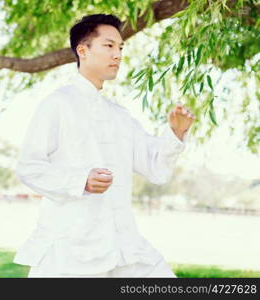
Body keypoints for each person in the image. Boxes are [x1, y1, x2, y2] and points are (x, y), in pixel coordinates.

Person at [14, 14, 195, 277]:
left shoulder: (119, 115)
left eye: (121, 48)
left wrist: (176, 133)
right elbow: (28, 167)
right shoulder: (58, 104)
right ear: (83, 50)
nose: (118, 55)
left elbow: (155, 166)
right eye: (109, 46)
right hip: (72, 249)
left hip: (126, 247)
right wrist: (81, 180)